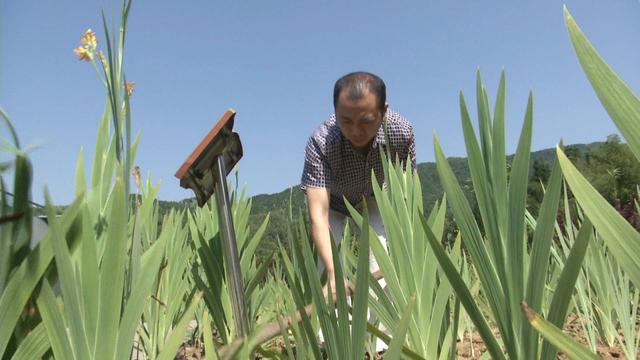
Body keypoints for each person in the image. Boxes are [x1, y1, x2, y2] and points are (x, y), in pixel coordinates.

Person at [300, 71, 417, 298]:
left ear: (384, 111)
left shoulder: (401, 132)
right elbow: (318, 214)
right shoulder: (321, 142)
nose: (355, 131)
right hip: (333, 203)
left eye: (366, 121)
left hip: (373, 198)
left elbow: (407, 192)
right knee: (327, 267)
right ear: (335, 112)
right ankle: (329, 332)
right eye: (345, 121)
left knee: (380, 254)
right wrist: (334, 273)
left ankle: (382, 330)